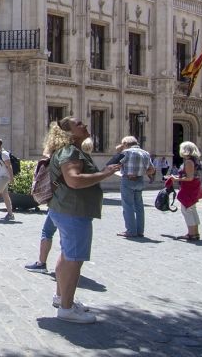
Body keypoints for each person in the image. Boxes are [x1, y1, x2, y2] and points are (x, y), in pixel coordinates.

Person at [49, 116, 120, 323]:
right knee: (74, 259)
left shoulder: (70, 150)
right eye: (78, 124)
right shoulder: (70, 151)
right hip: (73, 211)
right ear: (68, 133)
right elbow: (74, 180)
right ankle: (67, 309)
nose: (85, 125)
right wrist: (105, 174)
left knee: (67, 255)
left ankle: (62, 297)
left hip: (66, 209)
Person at [25, 123, 73, 273]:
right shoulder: (72, 153)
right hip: (68, 199)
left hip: (59, 200)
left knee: (50, 232)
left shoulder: (57, 156)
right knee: (62, 233)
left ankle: (45, 264)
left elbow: (58, 179)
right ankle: (63, 264)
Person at [117, 135, 153, 238]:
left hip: (128, 180)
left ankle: (131, 231)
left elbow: (115, 164)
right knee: (139, 206)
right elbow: (152, 170)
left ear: (125, 144)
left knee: (128, 206)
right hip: (140, 180)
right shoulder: (145, 153)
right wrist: (139, 172)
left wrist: (118, 152)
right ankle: (140, 231)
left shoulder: (126, 152)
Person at [169, 141, 202, 241]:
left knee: (187, 209)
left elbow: (189, 178)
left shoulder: (189, 161)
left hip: (189, 187)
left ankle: (191, 233)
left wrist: (176, 179)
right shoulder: (196, 160)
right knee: (192, 209)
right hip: (194, 186)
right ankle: (195, 233)